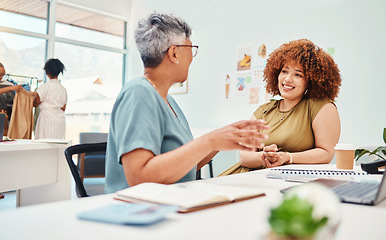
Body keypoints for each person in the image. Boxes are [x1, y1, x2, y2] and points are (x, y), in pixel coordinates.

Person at [105, 13, 270, 193]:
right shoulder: (138, 93)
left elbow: (186, 165)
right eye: (191, 48)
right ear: (174, 53)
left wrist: (223, 140)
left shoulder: (168, 101)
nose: (192, 57)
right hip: (138, 210)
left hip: (171, 201)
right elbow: (140, 177)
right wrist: (210, 141)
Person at [221, 39, 342, 175]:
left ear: (311, 81)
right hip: (244, 177)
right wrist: (265, 157)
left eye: (298, 74)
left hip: (287, 181)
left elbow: (326, 153)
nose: (287, 79)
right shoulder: (264, 111)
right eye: (284, 71)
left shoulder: (321, 107)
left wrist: (288, 157)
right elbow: (244, 157)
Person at [33, 59, 67, 139]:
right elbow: (63, 107)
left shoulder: (44, 87)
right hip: (60, 120)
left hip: (46, 119)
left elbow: (35, 103)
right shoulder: (63, 89)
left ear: (47, 72)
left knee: (44, 145)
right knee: (58, 145)